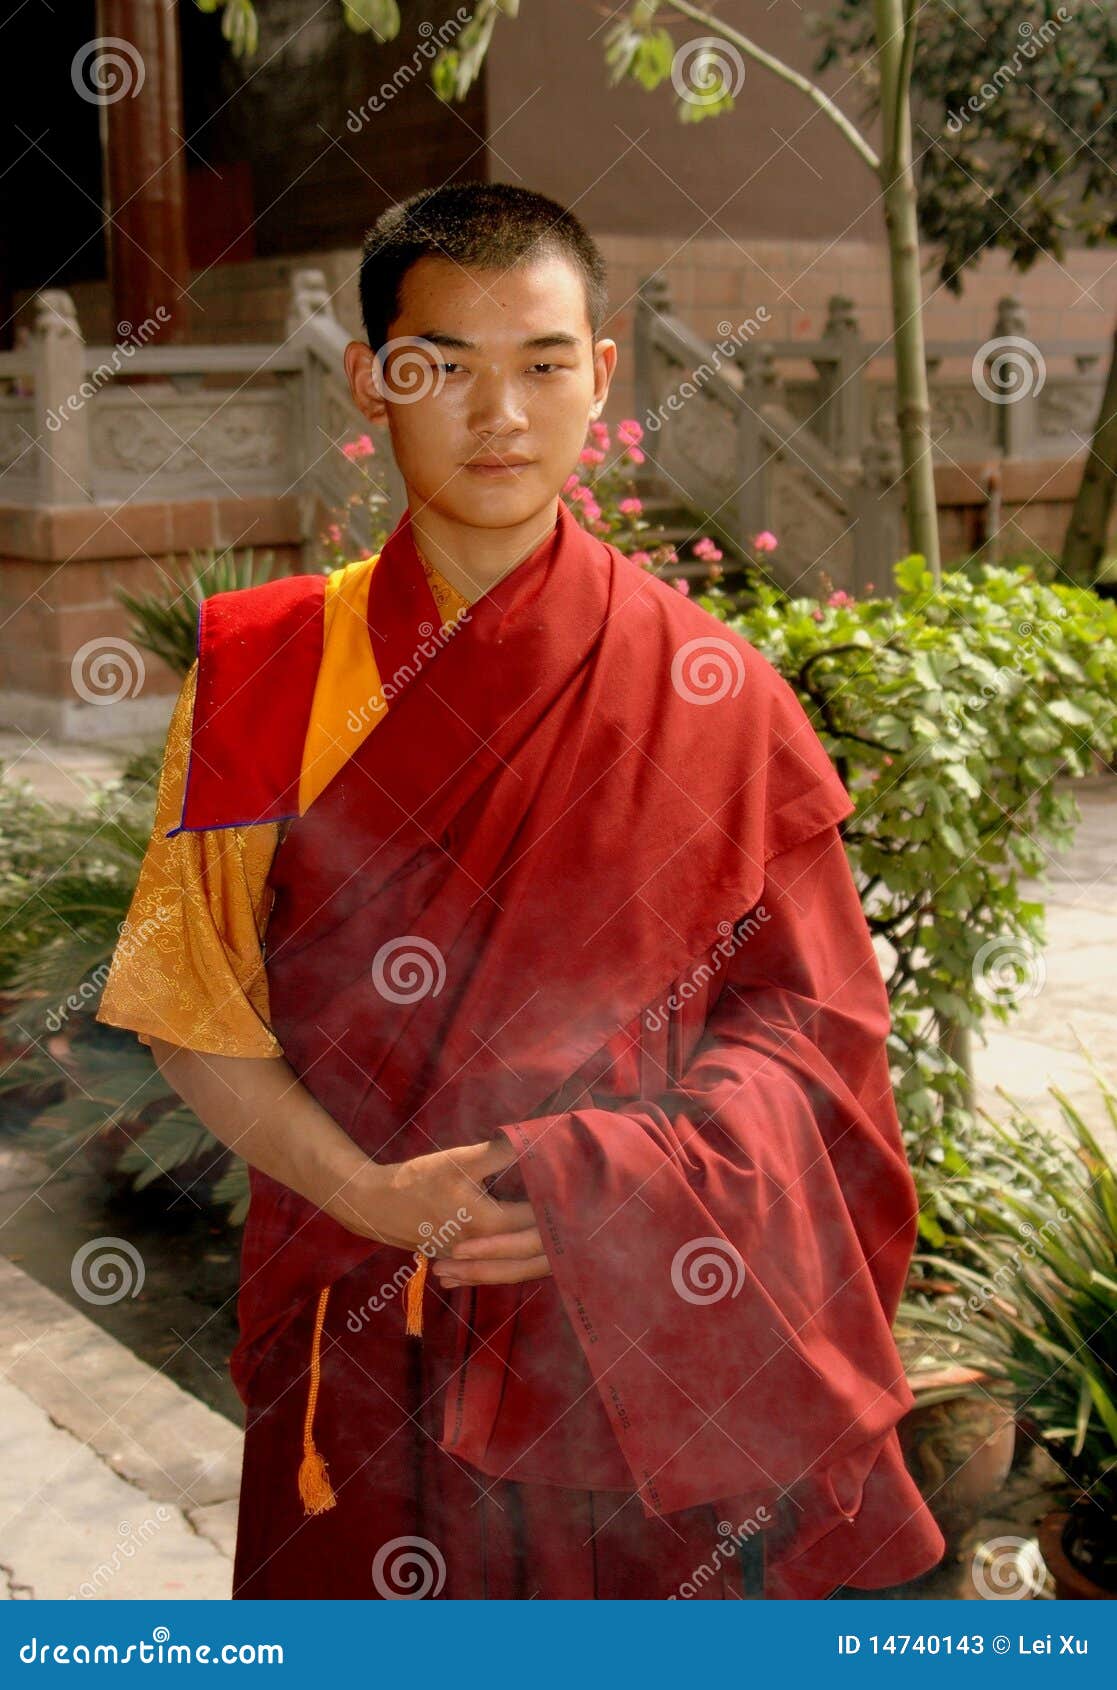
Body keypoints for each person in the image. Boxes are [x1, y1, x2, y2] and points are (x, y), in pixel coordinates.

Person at [97, 180, 946, 1600]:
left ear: (600, 376)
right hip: (354, 1326)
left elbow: (813, 1047)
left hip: (620, 1358)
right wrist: (367, 1194)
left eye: (543, 363)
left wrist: (600, 1193)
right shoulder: (268, 669)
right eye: (442, 366)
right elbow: (192, 1006)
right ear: (373, 379)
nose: (499, 414)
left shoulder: (712, 692)